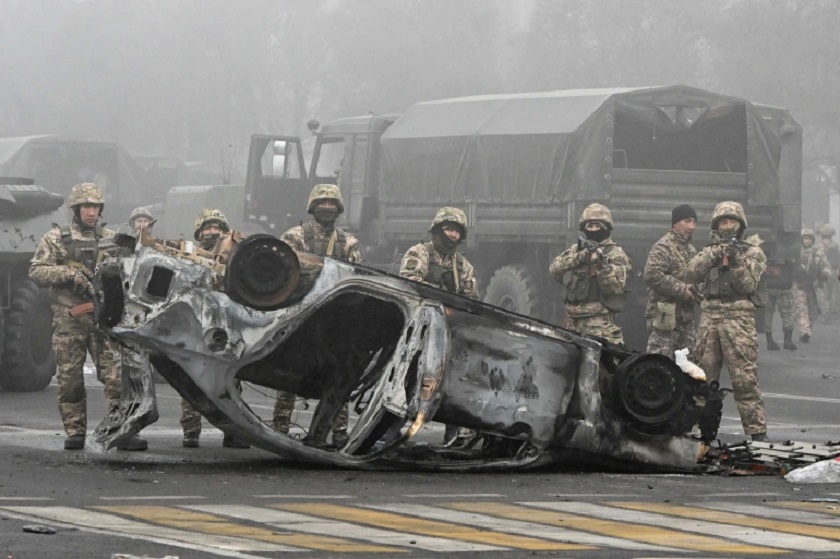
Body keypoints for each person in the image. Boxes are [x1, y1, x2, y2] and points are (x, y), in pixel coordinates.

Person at [29, 183, 147, 451]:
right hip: (70, 321)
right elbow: (37, 272)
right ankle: (75, 431)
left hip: (104, 320)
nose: (91, 212)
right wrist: (69, 274)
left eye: (95, 207)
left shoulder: (111, 239)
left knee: (117, 379)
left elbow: (135, 267)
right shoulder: (57, 238)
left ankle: (123, 431)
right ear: (76, 209)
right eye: (86, 207)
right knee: (70, 381)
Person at [271, 184, 361, 446]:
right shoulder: (295, 237)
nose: (327, 208)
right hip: (299, 314)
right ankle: (280, 427)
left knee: (339, 374)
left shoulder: (349, 243)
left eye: (332, 204)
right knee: (288, 372)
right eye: (322, 203)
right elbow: (283, 273)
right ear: (312, 207)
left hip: (336, 319)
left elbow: (358, 279)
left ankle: (339, 430)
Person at [687, 201, 769, 442]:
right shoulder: (708, 251)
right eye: (723, 222)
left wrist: (734, 260)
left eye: (731, 221)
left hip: (738, 317)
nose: (727, 226)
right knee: (702, 378)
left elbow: (747, 285)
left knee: (744, 378)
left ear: (740, 224)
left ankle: (757, 432)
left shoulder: (753, 253)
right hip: (710, 317)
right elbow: (691, 272)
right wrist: (715, 254)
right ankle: (702, 431)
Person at [400, 206, 479, 446]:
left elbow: (471, 298)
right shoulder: (419, 253)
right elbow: (408, 283)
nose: (452, 235)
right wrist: (441, 293)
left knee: (450, 382)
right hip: (419, 329)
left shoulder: (462, 265)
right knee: (409, 380)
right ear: (437, 229)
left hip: (448, 331)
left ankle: (453, 433)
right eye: (448, 229)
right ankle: (395, 428)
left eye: (456, 231)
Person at [181, 209, 250, 449]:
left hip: (227, 325)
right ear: (199, 232)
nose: (213, 232)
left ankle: (234, 432)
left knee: (231, 380)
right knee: (191, 376)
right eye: (208, 228)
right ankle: (191, 430)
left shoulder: (236, 256)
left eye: (218, 228)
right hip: (196, 324)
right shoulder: (187, 255)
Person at [549, 203, 631, 345]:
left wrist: (600, 266)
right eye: (590, 226)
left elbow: (615, 287)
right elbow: (555, 270)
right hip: (571, 324)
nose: (593, 230)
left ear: (606, 228)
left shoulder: (615, 254)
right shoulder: (576, 250)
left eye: (597, 226)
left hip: (598, 325)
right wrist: (579, 259)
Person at [643, 204, 698, 358]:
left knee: (688, 364)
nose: (691, 226)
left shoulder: (691, 250)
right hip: (664, 312)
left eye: (694, 222)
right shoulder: (663, 247)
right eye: (687, 221)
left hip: (685, 316)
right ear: (675, 223)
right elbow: (652, 275)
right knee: (660, 361)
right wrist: (682, 290)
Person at [793, 228, 832, 343]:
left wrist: (825, 274)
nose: (807, 241)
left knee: (812, 311)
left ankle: (808, 329)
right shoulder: (796, 252)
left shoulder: (818, 254)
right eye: (805, 238)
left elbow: (826, 266)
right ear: (802, 239)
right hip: (799, 284)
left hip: (813, 286)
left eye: (809, 239)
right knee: (801, 308)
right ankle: (804, 330)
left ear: (813, 240)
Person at [762, 239, 797, 351]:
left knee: (767, 314)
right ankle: (787, 340)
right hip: (783, 287)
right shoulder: (787, 249)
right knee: (788, 313)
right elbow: (793, 267)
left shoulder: (761, 249)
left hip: (767, 287)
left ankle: (769, 341)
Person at [817, 224, 840, 320]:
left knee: (823, 293)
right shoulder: (835, 245)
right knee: (832, 292)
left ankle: (825, 313)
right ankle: (832, 310)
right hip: (834, 271)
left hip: (824, 272)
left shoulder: (820, 245)